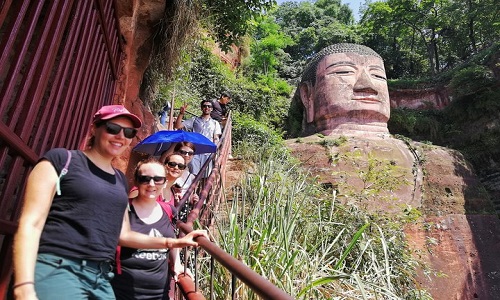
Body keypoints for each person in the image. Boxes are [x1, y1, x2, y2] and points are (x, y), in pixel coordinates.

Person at [12, 104, 208, 300]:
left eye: (129, 132)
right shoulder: (62, 160)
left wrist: (174, 242)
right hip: (59, 268)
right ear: (94, 129)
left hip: (101, 277)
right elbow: (30, 224)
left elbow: (123, 234)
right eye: (113, 128)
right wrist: (23, 286)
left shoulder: (119, 180)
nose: (121, 136)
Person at [111, 158, 189, 300]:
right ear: (136, 181)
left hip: (159, 294)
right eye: (145, 179)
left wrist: (177, 264)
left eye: (158, 179)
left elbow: (172, 238)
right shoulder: (122, 208)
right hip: (122, 293)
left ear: (165, 182)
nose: (151, 184)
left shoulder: (168, 210)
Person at [298, 43, 390, 136]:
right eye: (344, 71)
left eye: (378, 76)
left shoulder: (405, 148)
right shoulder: (295, 150)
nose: (368, 86)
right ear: (307, 95)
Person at [174, 100, 221, 177]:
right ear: (201, 108)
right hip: (195, 152)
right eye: (205, 106)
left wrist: (214, 151)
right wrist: (181, 114)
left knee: (206, 176)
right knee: (193, 175)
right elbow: (178, 126)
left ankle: (202, 189)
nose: (207, 107)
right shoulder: (194, 120)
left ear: (212, 109)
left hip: (208, 152)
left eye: (209, 106)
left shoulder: (215, 123)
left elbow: (216, 138)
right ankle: (194, 189)